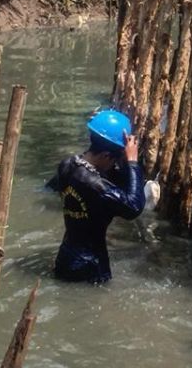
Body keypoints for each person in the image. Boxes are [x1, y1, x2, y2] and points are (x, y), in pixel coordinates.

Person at [48, 109, 146, 284]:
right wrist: (132, 162)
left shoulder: (67, 165)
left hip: (65, 258)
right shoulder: (97, 187)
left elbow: (54, 186)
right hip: (91, 267)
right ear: (106, 156)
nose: (116, 165)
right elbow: (134, 207)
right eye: (115, 160)